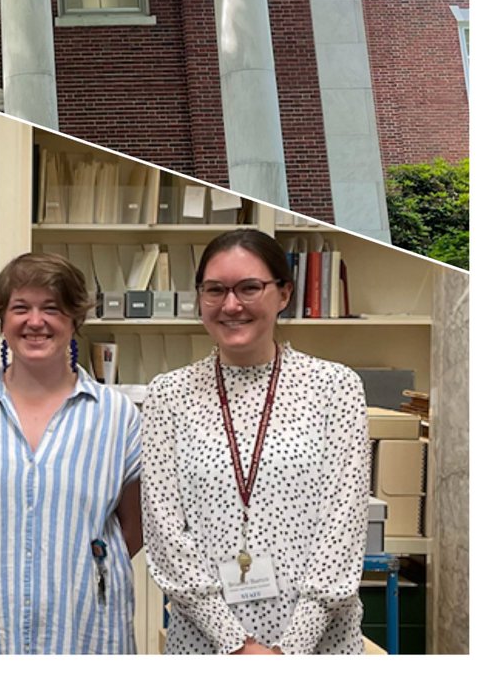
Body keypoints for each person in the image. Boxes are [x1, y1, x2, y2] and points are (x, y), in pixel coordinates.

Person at [141, 228, 369, 655]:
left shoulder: (335, 388)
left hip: (317, 644)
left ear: (284, 293)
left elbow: (343, 528)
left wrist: (287, 652)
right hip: (205, 643)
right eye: (215, 290)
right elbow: (166, 535)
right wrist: (238, 647)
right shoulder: (167, 396)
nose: (231, 305)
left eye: (249, 288)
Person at [0, 252, 143, 654]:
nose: (35, 321)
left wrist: (74, 568)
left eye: (52, 309)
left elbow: (133, 529)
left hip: (83, 628)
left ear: (74, 320)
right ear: (1, 321)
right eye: (20, 308)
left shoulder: (117, 416)